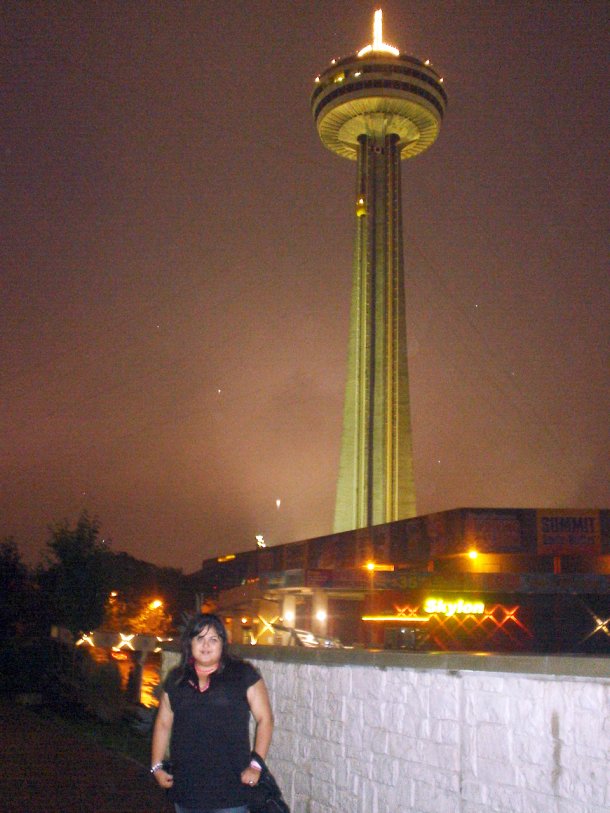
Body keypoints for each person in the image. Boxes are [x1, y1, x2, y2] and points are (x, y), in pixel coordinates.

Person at [151, 612, 274, 813]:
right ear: (190, 643)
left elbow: (265, 719)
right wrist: (156, 766)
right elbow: (163, 724)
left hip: (230, 792)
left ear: (222, 644)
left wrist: (256, 765)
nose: (206, 645)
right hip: (186, 791)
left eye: (213, 639)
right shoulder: (177, 680)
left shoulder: (242, 675)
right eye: (200, 638)